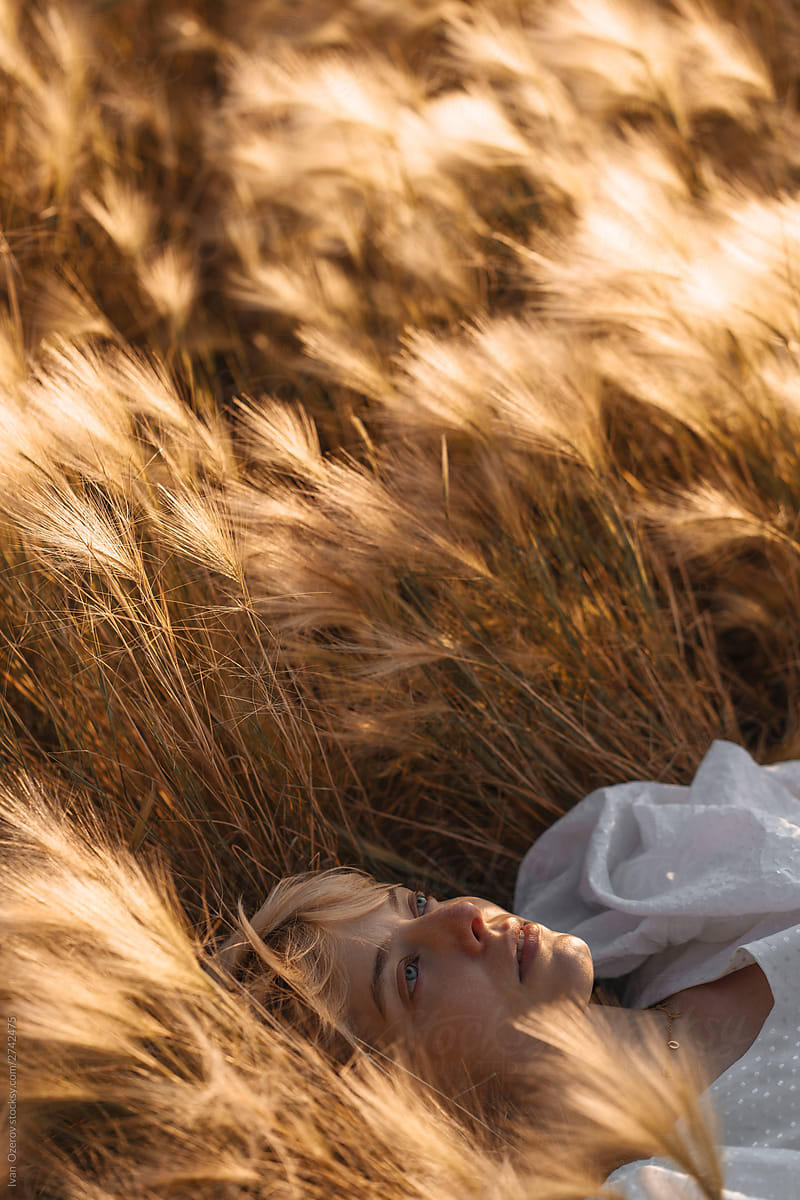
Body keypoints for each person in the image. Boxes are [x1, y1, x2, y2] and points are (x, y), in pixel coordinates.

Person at [221, 740, 800, 1198]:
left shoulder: (656, 893)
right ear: (409, 1110)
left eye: (418, 902)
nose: (466, 913)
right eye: (410, 976)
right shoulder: (694, 1181)